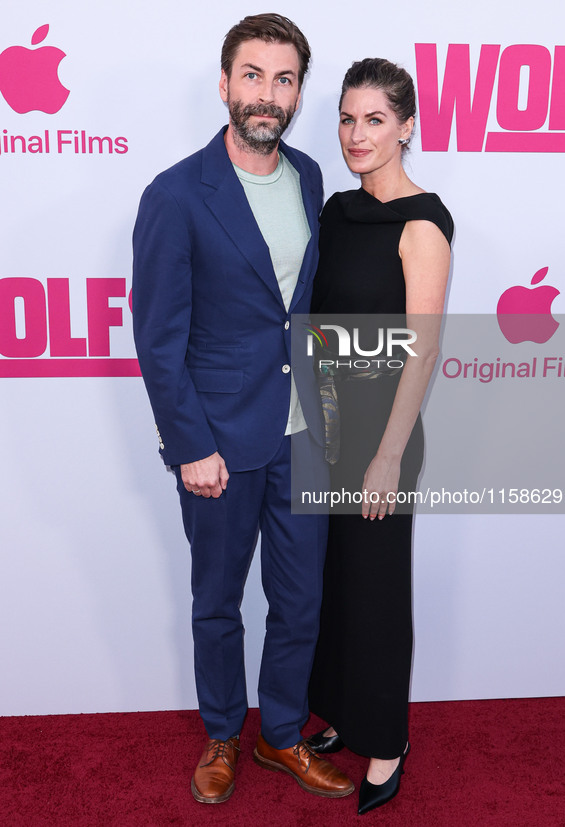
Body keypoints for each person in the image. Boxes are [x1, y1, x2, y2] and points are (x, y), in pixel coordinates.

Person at [132, 13, 353, 805]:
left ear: (298, 92)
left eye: (284, 78)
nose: (268, 93)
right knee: (217, 601)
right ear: (225, 84)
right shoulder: (176, 194)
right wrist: (189, 442)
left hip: (306, 435)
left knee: (300, 601)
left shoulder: (308, 176)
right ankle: (224, 731)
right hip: (221, 440)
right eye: (253, 75)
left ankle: (281, 734)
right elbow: (158, 338)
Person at [306, 58, 454, 816]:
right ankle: (339, 710)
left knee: (375, 588)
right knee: (329, 581)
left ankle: (387, 740)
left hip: (380, 437)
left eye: (373, 120)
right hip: (321, 424)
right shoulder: (334, 210)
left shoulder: (421, 222)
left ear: (405, 126)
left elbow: (420, 350)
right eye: (345, 118)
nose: (356, 135)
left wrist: (387, 455)